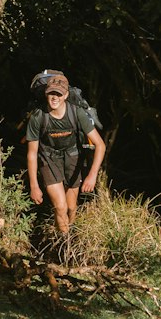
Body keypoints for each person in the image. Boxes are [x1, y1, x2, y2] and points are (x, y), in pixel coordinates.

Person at [25, 72, 105, 237]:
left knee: (71, 207)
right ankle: (63, 242)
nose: (54, 97)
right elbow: (32, 153)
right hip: (48, 158)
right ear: (46, 93)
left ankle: (71, 237)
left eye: (59, 94)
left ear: (66, 95)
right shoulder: (38, 117)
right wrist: (34, 185)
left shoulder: (77, 113)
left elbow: (100, 145)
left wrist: (92, 176)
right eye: (51, 93)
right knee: (60, 207)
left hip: (73, 157)